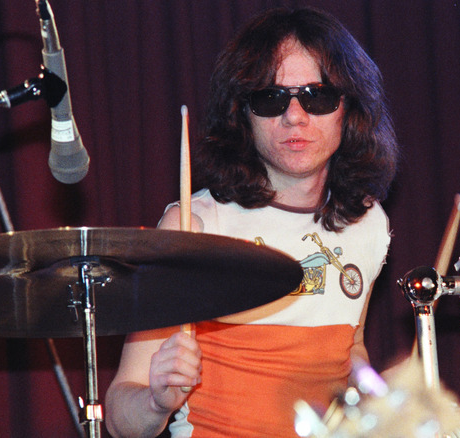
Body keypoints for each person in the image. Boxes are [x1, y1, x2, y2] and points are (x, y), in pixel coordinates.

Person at [105, 6, 398, 438]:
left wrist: (378, 397)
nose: (294, 117)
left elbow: (348, 351)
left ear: (348, 109)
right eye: (271, 98)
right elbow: (118, 417)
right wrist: (154, 400)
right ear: (242, 114)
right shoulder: (195, 226)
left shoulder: (369, 223)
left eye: (317, 96)